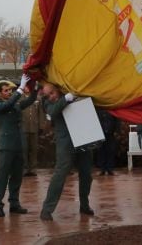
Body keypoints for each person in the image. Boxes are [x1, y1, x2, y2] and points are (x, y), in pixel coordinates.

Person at [39, 82, 94, 221]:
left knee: (87, 174)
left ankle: (84, 205)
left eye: (52, 93)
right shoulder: (47, 102)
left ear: (58, 89)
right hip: (65, 142)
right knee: (60, 174)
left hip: (83, 138)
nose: (51, 97)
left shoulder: (72, 94)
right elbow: (53, 111)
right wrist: (67, 98)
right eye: (48, 95)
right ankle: (47, 209)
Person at [0, 76, 37, 216]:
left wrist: (35, 88)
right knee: (3, 177)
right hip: (6, 146)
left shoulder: (15, 104)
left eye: (10, 90)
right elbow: (8, 105)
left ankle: (14, 203)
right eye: (6, 91)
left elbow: (29, 101)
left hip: (18, 144)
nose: (9, 92)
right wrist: (20, 89)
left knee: (17, 176)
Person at [95, 108, 119, 175]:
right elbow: (95, 120)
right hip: (100, 133)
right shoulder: (98, 109)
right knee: (101, 151)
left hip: (111, 133)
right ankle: (102, 169)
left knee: (111, 150)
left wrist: (116, 131)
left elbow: (117, 120)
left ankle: (110, 169)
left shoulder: (112, 108)